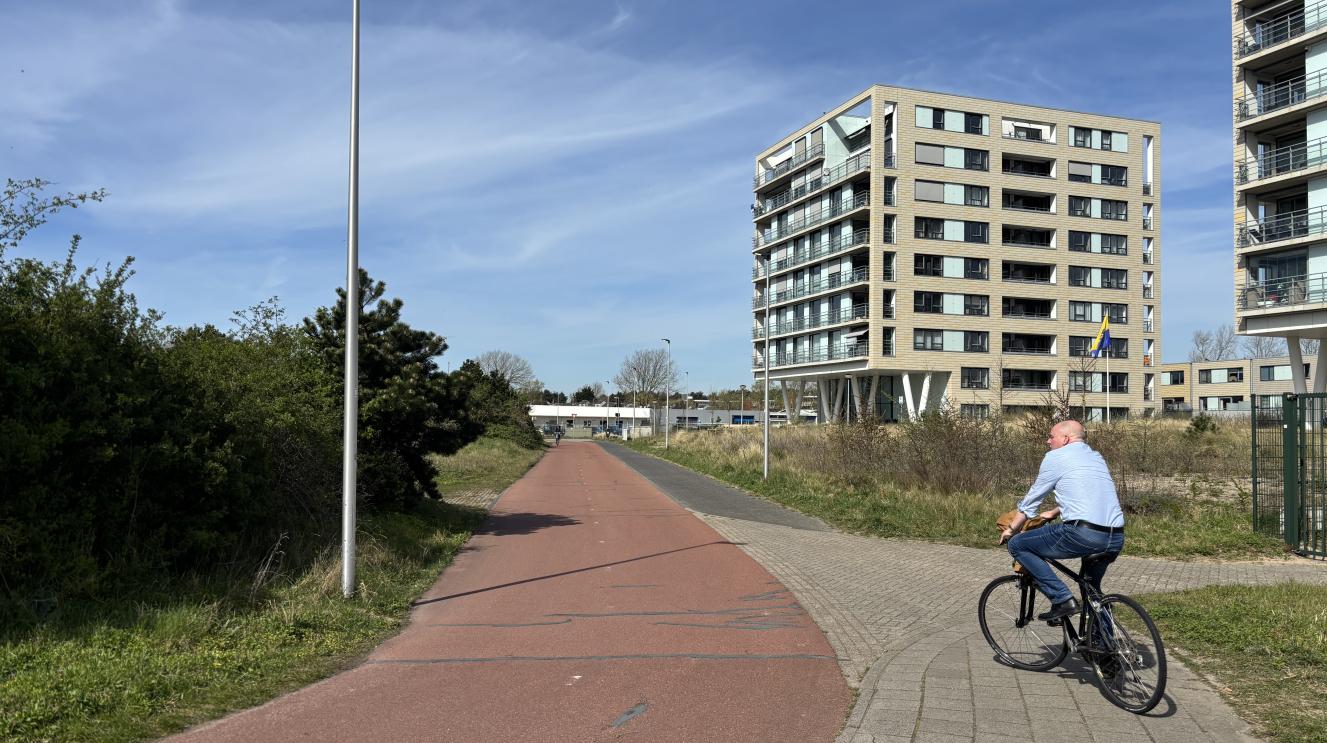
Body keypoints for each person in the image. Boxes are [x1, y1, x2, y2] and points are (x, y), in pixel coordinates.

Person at [999, 419, 1124, 623]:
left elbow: (1032, 499)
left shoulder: (1055, 457)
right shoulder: (1095, 457)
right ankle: (1104, 641)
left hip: (1083, 534)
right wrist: (1055, 511)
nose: (1048, 441)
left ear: (1065, 439)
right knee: (1091, 588)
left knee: (1018, 544)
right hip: (1115, 537)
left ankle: (1062, 600)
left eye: (1051, 436)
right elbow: (1091, 493)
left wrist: (1012, 529)